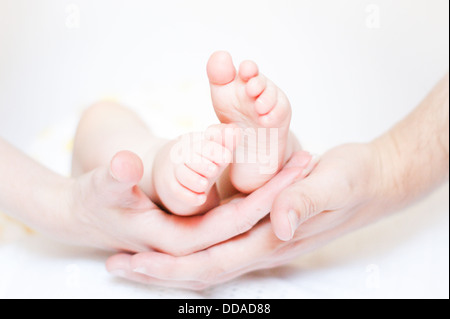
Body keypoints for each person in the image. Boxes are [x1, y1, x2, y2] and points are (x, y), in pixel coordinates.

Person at [105, 72, 449, 290]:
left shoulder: (145, 94)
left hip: (191, 141)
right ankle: (241, 168)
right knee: (151, 148)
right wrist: (387, 162)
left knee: (105, 122)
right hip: (208, 142)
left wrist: (388, 166)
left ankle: (172, 171)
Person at [72, 51, 301, 217]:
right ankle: (170, 168)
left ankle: (179, 172)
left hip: (195, 138)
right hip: (192, 139)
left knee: (101, 117)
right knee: (105, 117)